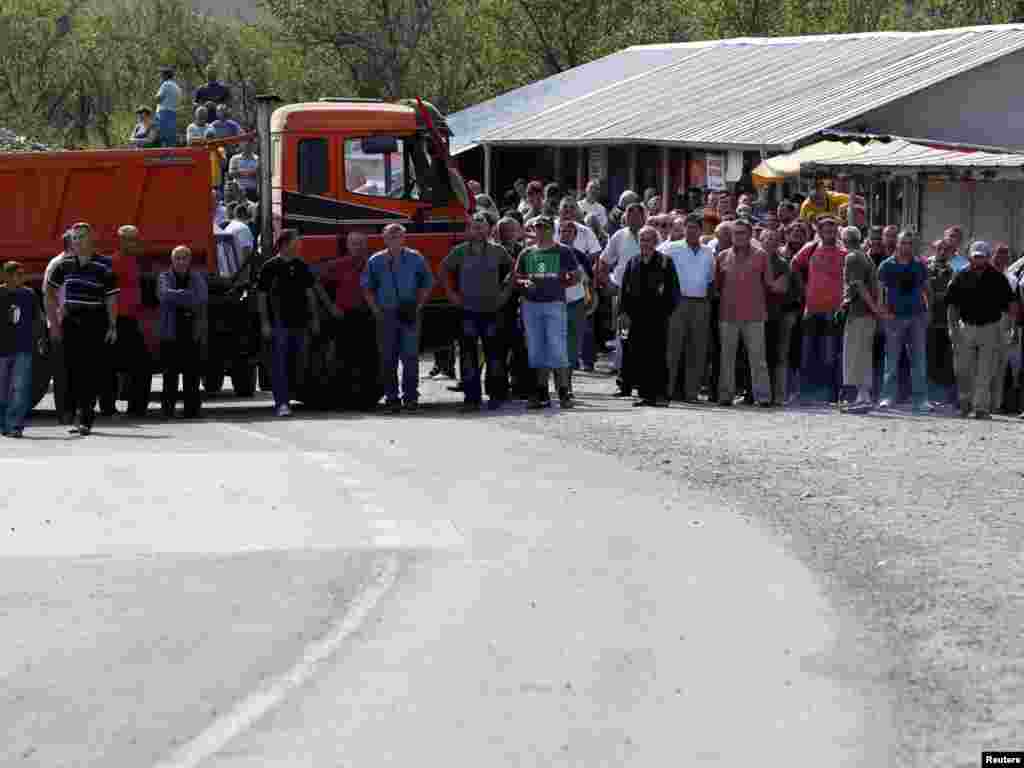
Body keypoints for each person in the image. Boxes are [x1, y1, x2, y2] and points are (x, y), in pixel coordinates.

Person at [46, 222, 119, 436]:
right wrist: (58, 314)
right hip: (71, 321)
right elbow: (49, 291)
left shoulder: (104, 264)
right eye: (75, 237)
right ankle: (75, 415)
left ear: (92, 239)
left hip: (95, 321)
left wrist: (112, 325)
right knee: (72, 370)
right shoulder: (64, 265)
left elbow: (112, 297)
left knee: (90, 371)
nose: (77, 241)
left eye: (82, 237)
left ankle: (86, 419)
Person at [442, 213, 513, 411]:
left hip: (492, 310)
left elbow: (514, 270)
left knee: (494, 355)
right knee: (468, 355)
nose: (479, 231)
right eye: (475, 227)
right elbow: (443, 270)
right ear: (469, 230)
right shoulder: (460, 252)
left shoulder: (498, 251)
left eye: (482, 227)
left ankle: (496, 396)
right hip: (468, 311)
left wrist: (505, 294)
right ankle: (471, 398)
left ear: (489, 230)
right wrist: (451, 294)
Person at [714, 218, 787, 407]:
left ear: (750, 235)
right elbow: (717, 286)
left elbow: (770, 283)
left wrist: (783, 282)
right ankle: (725, 396)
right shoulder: (721, 256)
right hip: (728, 315)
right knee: (726, 359)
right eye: (735, 233)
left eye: (742, 233)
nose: (738, 237)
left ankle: (763, 397)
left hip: (755, 314)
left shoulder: (762, 255)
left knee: (758, 359)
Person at [361, 223, 434, 413]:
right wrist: (375, 310)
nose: (395, 239)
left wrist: (419, 305)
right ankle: (392, 398)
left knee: (410, 357)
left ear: (404, 238)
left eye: (398, 236)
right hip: (386, 314)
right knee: (388, 358)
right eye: (390, 236)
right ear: (384, 238)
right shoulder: (375, 260)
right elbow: (367, 288)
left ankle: (411, 398)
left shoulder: (415, 258)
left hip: (409, 312)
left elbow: (427, 282)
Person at [945, 241, 1017, 419]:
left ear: (987, 257)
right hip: (966, 326)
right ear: (970, 256)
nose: (978, 259)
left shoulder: (997, 277)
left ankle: (981, 408)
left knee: (986, 370)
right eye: (976, 256)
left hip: (990, 327)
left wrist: (1012, 328)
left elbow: (1011, 303)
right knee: (964, 368)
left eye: (982, 256)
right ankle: (964, 403)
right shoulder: (960, 275)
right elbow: (952, 305)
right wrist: (953, 328)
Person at [513, 215, 578, 409]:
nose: (541, 231)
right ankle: (540, 391)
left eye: (545, 227)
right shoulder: (526, 253)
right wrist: (525, 283)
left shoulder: (563, 251)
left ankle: (564, 392)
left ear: (552, 229)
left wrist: (560, 284)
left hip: (554, 304)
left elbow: (576, 276)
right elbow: (517, 277)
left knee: (557, 346)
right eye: (538, 227)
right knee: (536, 348)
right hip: (531, 305)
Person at [258, 229, 319, 417]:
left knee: (299, 363)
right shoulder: (269, 267)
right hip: (279, 323)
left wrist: (314, 318)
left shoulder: (301, 265)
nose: (299, 244)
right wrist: (265, 323)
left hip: (301, 323)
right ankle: (282, 403)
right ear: (285, 244)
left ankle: (293, 396)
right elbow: (262, 297)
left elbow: (310, 294)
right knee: (280, 364)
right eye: (296, 241)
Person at [619, 226, 680, 407]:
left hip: (657, 319)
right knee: (639, 355)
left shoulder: (665, 262)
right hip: (636, 318)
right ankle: (645, 394)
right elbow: (625, 290)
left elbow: (674, 292)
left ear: (656, 242)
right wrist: (624, 312)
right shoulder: (633, 262)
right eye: (642, 240)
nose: (645, 243)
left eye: (649, 240)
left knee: (658, 356)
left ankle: (660, 395)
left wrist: (664, 313)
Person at [319, 232, 379, 409]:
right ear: (347, 246)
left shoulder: (375, 264)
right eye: (353, 243)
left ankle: (367, 400)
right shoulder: (338, 265)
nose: (357, 247)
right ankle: (342, 400)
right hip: (345, 317)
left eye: (360, 243)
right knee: (343, 359)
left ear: (366, 245)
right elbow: (316, 283)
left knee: (368, 359)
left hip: (368, 316)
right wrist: (330, 307)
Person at [659, 213, 713, 403]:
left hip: (700, 303)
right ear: (684, 229)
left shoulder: (708, 252)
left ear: (701, 230)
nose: (691, 231)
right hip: (678, 303)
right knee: (672, 349)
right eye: (688, 227)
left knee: (697, 350)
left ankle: (691, 393)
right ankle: (666, 391)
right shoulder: (671, 248)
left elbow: (711, 279)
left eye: (695, 227)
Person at [792, 215, 846, 403]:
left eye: (832, 231)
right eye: (826, 230)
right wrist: (803, 287)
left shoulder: (843, 252)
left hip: (834, 309)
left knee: (830, 354)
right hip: (812, 307)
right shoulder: (810, 248)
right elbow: (795, 265)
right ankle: (804, 392)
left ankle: (830, 394)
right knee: (807, 352)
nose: (829, 234)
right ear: (819, 232)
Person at [877, 230, 930, 413]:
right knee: (891, 361)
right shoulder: (886, 265)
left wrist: (927, 312)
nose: (906, 246)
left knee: (919, 361)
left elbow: (926, 289)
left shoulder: (920, 265)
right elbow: (880, 292)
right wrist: (883, 312)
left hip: (917, 316)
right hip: (894, 317)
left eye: (909, 243)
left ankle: (921, 399)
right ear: (897, 244)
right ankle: (887, 397)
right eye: (903, 242)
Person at [100, 226, 150, 417]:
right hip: (117, 319)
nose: (134, 243)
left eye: (135, 239)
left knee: (137, 366)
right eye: (130, 239)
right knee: (112, 365)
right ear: (121, 241)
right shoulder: (113, 262)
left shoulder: (134, 261)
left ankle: (135, 408)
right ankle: (110, 407)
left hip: (131, 318)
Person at [841, 226, 889, 413]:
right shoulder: (865, 256)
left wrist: (874, 308)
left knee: (857, 355)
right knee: (862, 354)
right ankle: (863, 397)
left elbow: (859, 286)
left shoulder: (852, 257)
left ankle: (863, 398)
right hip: (866, 313)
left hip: (860, 312)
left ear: (844, 240)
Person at [158, 246, 208, 419]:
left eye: (184, 258)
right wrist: (188, 296)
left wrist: (177, 296)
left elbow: (201, 298)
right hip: (170, 331)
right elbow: (164, 295)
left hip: (191, 331)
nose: (180, 261)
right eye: (177, 258)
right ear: (172, 260)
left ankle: (192, 409)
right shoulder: (164, 276)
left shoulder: (197, 277)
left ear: (189, 260)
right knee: (169, 374)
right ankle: (168, 410)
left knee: (192, 373)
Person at [0, 262, 41, 437]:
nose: (20, 278)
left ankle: (15, 425)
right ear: (5, 276)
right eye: (16, 274)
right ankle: (3, 424)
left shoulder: (29, 294)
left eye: (21, 274)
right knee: (2, 389)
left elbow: (37, 319)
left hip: (23, 348)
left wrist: (39, 339)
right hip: (2, 349)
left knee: (20, 387)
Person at [43, 233, 72, 423]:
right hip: (61, 324)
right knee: (62, 371)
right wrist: (54, 325)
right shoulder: (57, 264)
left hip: (80, 324)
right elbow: (48, 295)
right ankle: (64, 413)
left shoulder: (83, 264)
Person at [155, 67, 182, 147]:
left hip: (163, 114)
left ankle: (162, 158)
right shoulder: (177, 87)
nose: (160, 77)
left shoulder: (165, 84)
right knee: (171, 137)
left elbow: (158, 98)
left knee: (162, 136)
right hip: (173, 114)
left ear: (165, 76)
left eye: (161, 75)